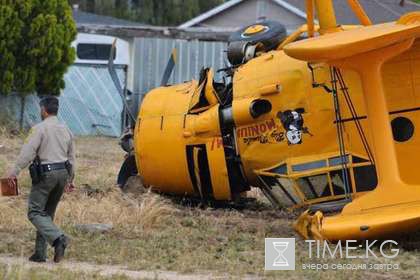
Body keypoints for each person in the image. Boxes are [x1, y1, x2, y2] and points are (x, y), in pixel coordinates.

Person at [5, 96, 75, 263]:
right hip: (62, 173)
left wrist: (14, 171)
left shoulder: (39, 129)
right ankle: (40, 253)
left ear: (43, 110)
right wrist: (71, 179)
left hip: (46, 175)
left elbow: (28, 152)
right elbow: (72, 157)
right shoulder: (66, 129)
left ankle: (59, 239)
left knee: (35, 212)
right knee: (47, 214)